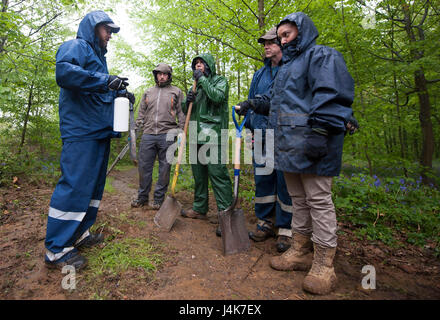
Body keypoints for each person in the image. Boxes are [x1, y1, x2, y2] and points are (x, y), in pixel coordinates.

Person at [236, 12, 356, 295]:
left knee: (318, 200)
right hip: (289, 145)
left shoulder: (321, 56)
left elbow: (332, 97)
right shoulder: (287, 67)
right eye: (280, 37)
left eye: (287, 35)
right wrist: (254, 103)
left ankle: (325, 264)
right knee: (299, 200)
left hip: (314, 143)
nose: (283, 40)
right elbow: (277, 103)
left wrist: (321, 133)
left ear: (302, 33)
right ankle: (300, 251)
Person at [44, 10, 135, 270]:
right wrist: (105, 81)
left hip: (98, 132)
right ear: (94, 28)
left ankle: (78, 233)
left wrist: (121, 94)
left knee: (92, 189)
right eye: (107, 30)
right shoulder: (77, 46)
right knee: (74, 186)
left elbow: (97, 92)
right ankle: (56, 249)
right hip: (80, 131)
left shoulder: (97, 58)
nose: (110, 36)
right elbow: (66, 74)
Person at [245, 27, 293, 253]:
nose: (266, 45)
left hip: (284, 136)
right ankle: (265, 222)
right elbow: (251, 103)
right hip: (261, 135)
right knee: (263, 179)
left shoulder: (291, 70)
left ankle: (286, 229)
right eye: (264, 42)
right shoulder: (259, 74)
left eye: (271, 42)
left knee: (285, 182)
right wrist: (250, 130)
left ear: (282, 44)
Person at [180, 53, 233, 235]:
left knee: (218, 175)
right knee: (199, 175)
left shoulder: (219, 81)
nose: (198, 66)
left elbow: (217, 98)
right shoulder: (196, 86)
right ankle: (199, 208)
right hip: (195, 135)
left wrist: (202, 80)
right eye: (196, 64)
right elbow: (186, 110)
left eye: (201, 63)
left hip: (213, 134)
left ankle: (227, 216)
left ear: (209, 65)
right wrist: (186, 101)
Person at [131, 63, 185, 209]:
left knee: (165, 169)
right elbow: (141, 112)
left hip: (167, 134)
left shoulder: (176, 92)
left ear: (169, 76)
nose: (161, 76)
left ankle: (158, 200)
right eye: (159, 74)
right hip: (148, 134)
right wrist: (136, 128)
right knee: (144, 167)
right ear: (155, 75)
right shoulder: (148, 92)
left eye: (165, 74)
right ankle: (142, 197)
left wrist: (181, 130)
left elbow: (181, 113)